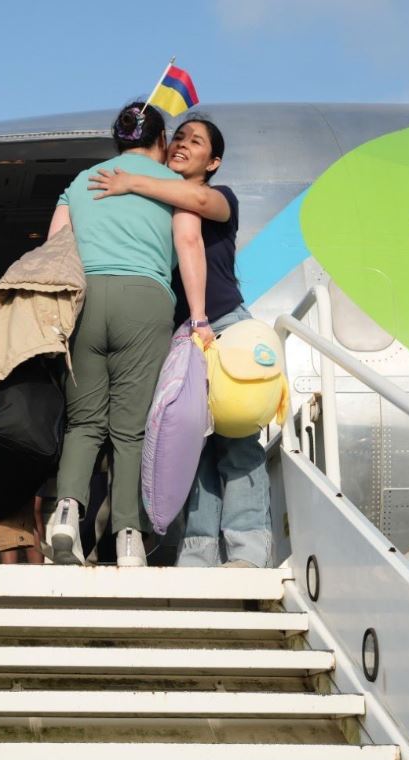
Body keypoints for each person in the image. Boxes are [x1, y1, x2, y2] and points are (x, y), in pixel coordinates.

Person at [89, 116, 272, 567]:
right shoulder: (155, 205)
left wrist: (131, 180)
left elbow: (198, 199)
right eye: (179, 137)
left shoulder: (219, 198)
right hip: (178, 336)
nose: (182, 144)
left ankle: (248, 550)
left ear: (214, 162)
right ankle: (198, 553)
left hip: (222, 326)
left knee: (237, 441)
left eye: (197, 141)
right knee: (192, 450)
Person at [46, 101, 213, 568]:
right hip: (145, 299)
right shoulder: (173, 185)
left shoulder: (81, 182)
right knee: (132, 428)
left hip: (84, 299)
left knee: (83, 423)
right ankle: (128, 539)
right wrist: (198, 317)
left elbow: (55, 247)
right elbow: (188, 242)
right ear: (160, 141)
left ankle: (65, 514)